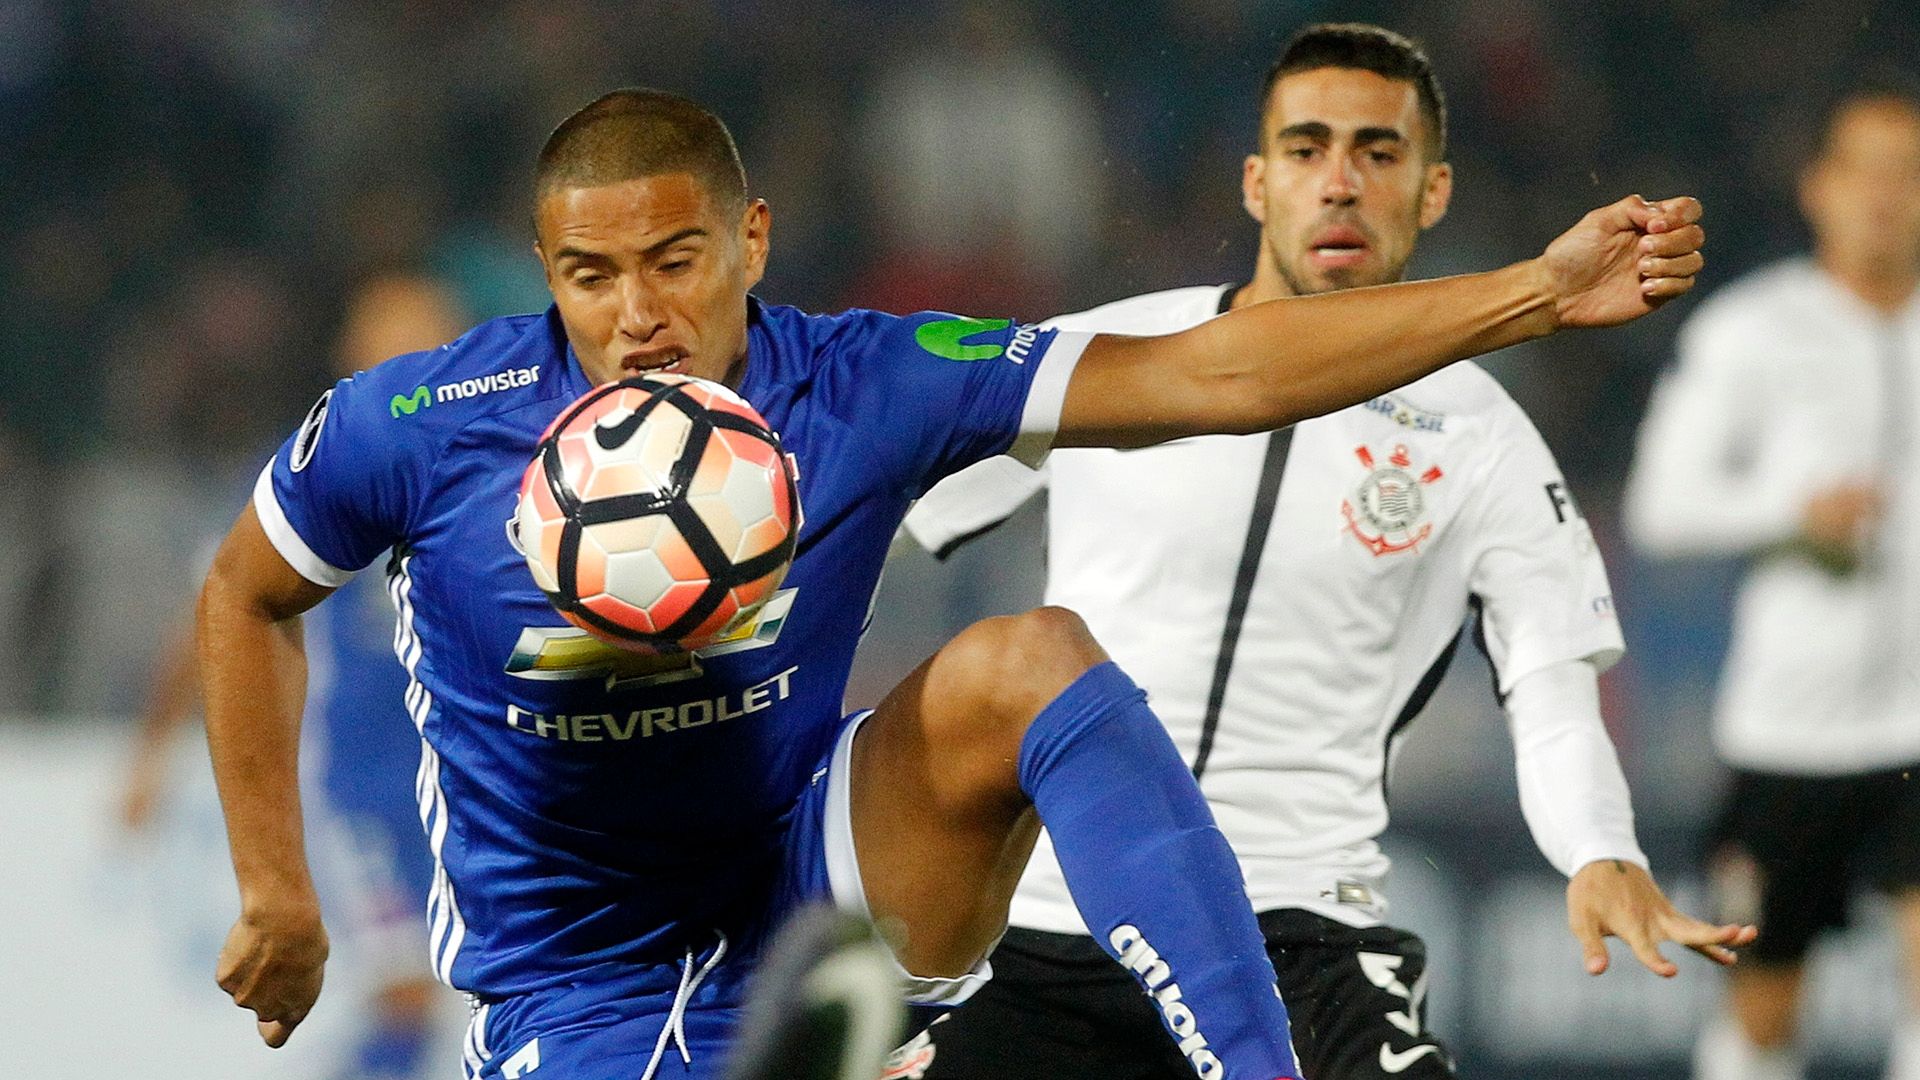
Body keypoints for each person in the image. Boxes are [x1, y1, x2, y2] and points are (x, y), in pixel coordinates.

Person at [197, 86, 1704, 1080]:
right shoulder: (420, 424)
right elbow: (245, 594)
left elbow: (1216, 368)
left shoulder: (869, 380)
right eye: (594, 277)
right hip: (580, 981)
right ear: (544, 267)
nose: (640, 316)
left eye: (678, 261)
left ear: (753, 238)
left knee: (1029, 658)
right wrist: (278, 888)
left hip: (810, 886)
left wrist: (1527, 296)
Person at [898, 24, 1751, 1080]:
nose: (1339, 184)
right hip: (1050, 933)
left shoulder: (1480, 434)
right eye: (1307, 150)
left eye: (1378, 153)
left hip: (1296, 936)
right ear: (1257, 182)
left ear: (1434, 192)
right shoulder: (1115, 355)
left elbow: (1551, 682)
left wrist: (1600, 848)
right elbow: (879, 505)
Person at [1625, 79, 1920, 1080]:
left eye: (1909, 174)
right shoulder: (1753, 331)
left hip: (1917, 725)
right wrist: (1792, 515)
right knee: (1764, 1018)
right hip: (1787, 735)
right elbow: (1660, 508)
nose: (1887, 196)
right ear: (1819, 187)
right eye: (1866, 171)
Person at [121, 272, 469, 1080]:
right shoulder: (309, 465)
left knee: (469, 1002)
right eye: (394, 335)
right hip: (359, 785)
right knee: (406, 1001)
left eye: (431, 334)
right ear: (353, 353)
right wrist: (150, 756)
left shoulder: (492, 458)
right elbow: (212, 610)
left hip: (464, 773)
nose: (415, 353)